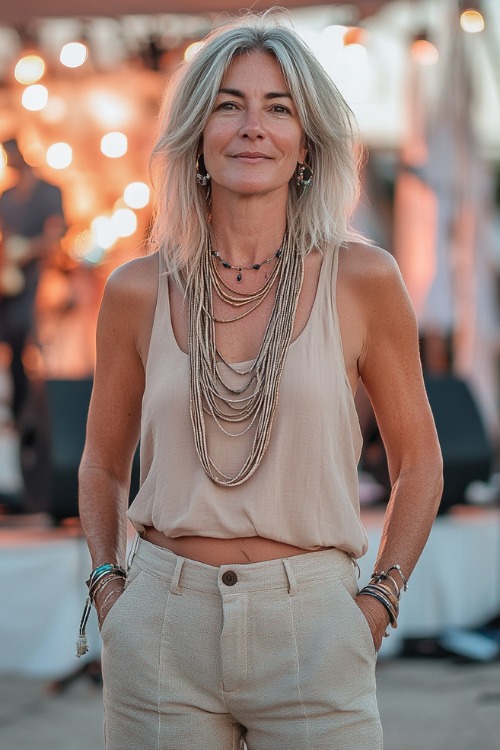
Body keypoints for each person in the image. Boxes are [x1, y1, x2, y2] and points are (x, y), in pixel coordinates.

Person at [78, 12, 443, 750]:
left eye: (279, 108)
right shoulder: (136, 290)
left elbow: (419, 462)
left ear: (305, 144)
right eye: (228, 104)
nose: (253, 127)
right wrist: (111, 590)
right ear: (196, 136)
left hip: (313, 625)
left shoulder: (363, 278)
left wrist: (378, 601)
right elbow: (102, 464)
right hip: (161, 626)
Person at [0, 138, 65, 423]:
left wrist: (29, 250)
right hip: (11, 278)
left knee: (36, 338)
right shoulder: (7, 195)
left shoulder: (49, 190)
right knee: (14, 341)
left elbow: (57, 232)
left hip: (40, 273)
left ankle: (42, 411)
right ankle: (20, 409)